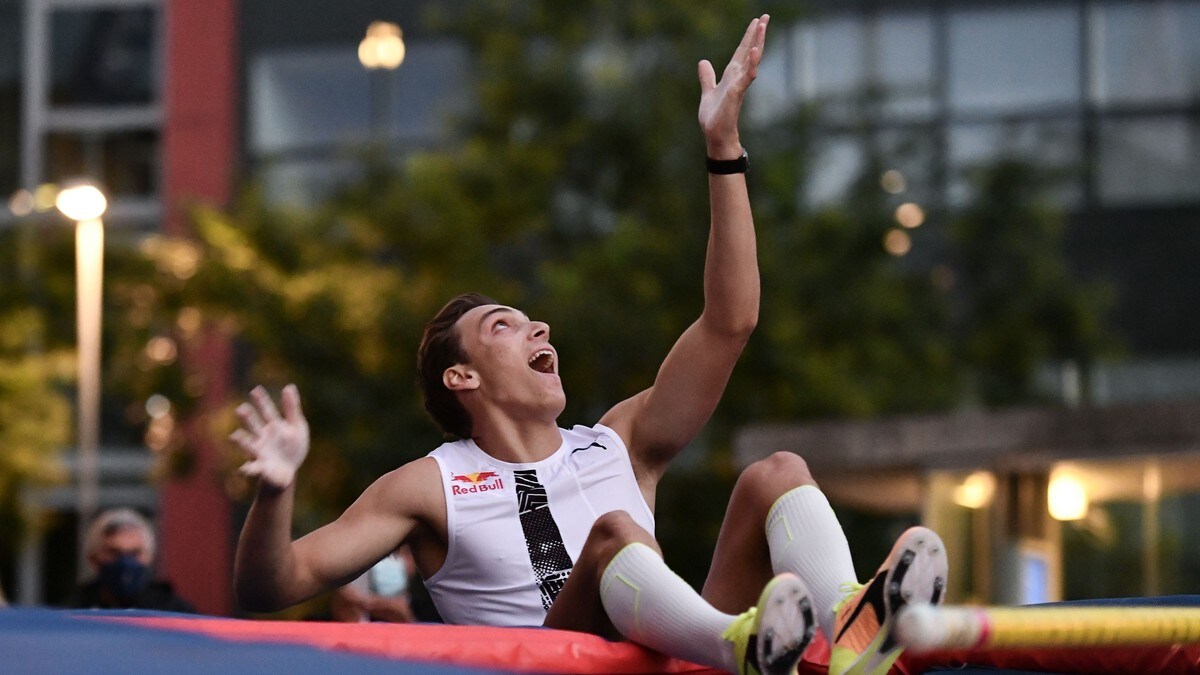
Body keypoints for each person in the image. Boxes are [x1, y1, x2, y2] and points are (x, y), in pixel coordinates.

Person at [232, 15, 946, 675]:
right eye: (503, 326)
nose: (539, 328)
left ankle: (852, 629)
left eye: (531, 320)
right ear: (461, 377)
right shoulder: (430, 485)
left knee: (777, 473)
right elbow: (272, 585)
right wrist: (275, 489)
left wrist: (723, 150)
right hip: (558, 666)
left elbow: (730, 323)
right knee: (614, 537)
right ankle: (746, 646)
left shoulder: (619, 443)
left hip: (676, 658)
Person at [67, 508, 196, 613]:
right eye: (115, 553)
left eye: (135, 553)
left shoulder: (174, 613)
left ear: (149, 557)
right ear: (93, 557)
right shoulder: (75, 610)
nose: (126, 561)